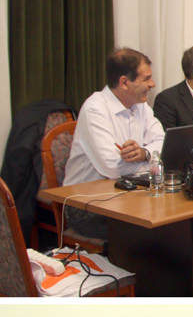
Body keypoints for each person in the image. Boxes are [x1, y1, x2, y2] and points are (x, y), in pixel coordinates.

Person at [63, 48, 165, 239]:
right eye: (146, 79)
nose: (152, 84)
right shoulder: (95, 109)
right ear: (124, 82)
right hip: (86, 206)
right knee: (148, 234)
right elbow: (112, 169)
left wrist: (144, 154)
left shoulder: (141, 105)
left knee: (173, 223)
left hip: (128, 196)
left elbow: (162, 142)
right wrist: (153, 163)